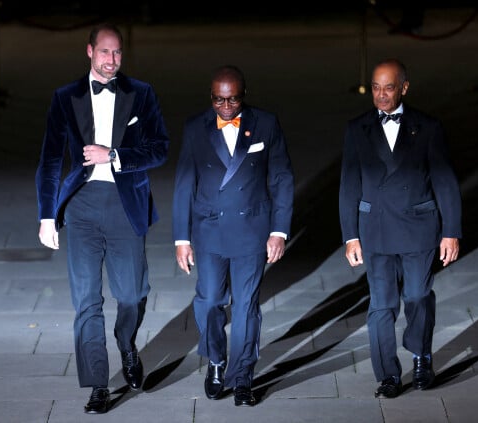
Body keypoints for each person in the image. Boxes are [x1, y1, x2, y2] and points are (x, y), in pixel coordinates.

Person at [35, 23, 169, 414]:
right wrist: (47, 215)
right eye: (105, 52)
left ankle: (126, 343)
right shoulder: (66, 97)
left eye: (118, 53)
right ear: (89, 51)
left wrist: (114, 155)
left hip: (125, 204)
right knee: (86, 301)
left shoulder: (140, 94)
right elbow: (49, 161)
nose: (112, 60)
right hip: (81, 206)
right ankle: (97, 384)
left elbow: (159, 148)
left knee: (131, 294)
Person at [338, 58, 462, 399]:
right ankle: (387, 375)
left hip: (418, 227)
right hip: (374, 230)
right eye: (375, 88)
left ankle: (421, 353)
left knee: (418, 295)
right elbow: (349, 184)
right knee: (381, 305)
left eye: (388, 87)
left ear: (404, 88)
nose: (381, 95)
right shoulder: (356, 128)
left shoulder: (428, 127)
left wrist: (451, 231)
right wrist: (350, 235)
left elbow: (445, 181)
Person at [172, 65, 294, 407]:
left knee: (245, 307)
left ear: (244, 95)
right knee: (209, 301)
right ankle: (215, 360)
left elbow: (282, 178)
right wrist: (181, 238)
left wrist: (279, 231)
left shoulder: (266, 124)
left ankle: (242, 377)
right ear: (210, 97)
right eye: (218, 99)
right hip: (208, 230)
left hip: (251, 230)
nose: (226, 106)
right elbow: (184, 183)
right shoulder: (196, 127)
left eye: (233, 99)